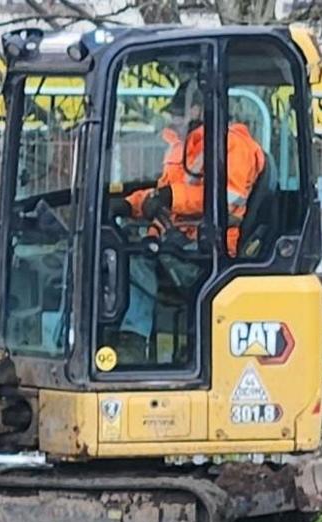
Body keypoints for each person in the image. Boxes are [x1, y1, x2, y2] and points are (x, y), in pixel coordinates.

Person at [112, 84, 268, 359]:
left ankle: (133, 343)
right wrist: (129, 204)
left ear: (196, 110)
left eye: (176, 113)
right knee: (121, 250)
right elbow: (164, 193)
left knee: (127, 262)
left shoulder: (234, 146)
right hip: (181, 238)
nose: (172, 120)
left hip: (214, 247)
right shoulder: (184, 150)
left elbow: (225, 201)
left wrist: (169, 198)